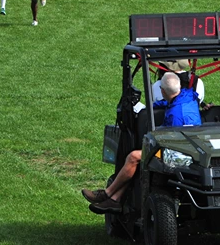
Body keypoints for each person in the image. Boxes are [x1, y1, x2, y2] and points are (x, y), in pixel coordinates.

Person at [80, 72, 200, 213]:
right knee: (138, 161)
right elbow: (168, 103)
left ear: (162, 90)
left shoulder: (176, 115)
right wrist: (147, 108)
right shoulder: (187, 96)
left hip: (179, 155)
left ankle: (107, 194)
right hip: (189, 148)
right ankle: (114, 200)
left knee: (134, 157)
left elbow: (169, 142)